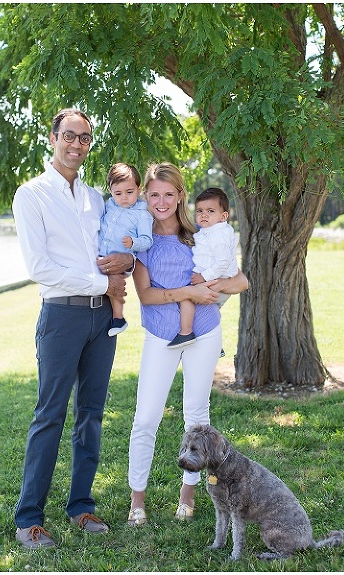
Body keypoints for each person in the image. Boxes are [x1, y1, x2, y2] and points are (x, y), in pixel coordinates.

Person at [12, 108, 134, 548]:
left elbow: (116, 249)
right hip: (61, 316)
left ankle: (81, 507)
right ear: (53, 138)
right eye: (69, 135)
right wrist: (104, 283)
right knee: (50, 415)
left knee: (92, 414)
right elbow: (39, 268)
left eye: (84, 138)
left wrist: (127, 260)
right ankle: (29, 519)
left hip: (102, 318)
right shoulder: (31, 195)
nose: (76, 144)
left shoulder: (96, 199)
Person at [126, 162, 248, 527]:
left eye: (169, 194)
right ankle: (137, 500)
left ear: (180, 195)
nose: (161, 202)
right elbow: (146, 296)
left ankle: (189, 492)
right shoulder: (142, 241)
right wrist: (189, 292)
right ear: (145, 197)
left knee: (196, 417)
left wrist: (211, 288)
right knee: (146, 417)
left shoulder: (200, 234)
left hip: (204, 333)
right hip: (160, 335)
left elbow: (240, 281)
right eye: (154, 195)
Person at [168, 187, 239, 349]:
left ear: (223, 216)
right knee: (206, 310)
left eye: (210, 211)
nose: (204, 215)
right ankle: (213, 344)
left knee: (187, 296)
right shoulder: (210, 231)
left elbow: (222, 263)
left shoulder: (219, 235)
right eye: (199, 211)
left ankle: (186, 333)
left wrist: (203, 276)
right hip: (215, 278)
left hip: (218, 279)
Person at [98, 162, 153, 336]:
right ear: (110, 190)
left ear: (139, 188)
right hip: (100, 254)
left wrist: (133, 242)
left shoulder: (142, 214)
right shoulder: (109, 205)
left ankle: (118, 317)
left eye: (129, 192)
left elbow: (147, 240)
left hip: (120, 259)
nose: (124, 198)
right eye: (118, 193)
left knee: (114, 283)